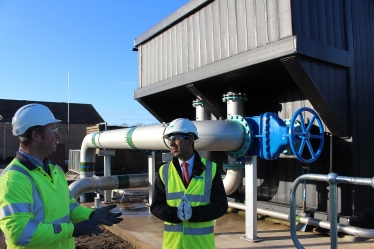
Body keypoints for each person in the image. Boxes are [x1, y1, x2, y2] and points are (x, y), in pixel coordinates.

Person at [0, 103, 123, 249]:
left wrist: (91, 215)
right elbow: (20, 233)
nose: (58, 135)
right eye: (53, 130)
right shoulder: (14, 178)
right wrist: (73, 230)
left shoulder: (55, 170)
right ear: (36, 135)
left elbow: (70, 208)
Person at [151, 118, 228, 249]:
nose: (171, 143)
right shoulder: (164, 171)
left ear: (190, 140)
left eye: (175, 138)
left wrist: (194, 213)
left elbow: (220, 206)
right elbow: (156, 206)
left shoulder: (211, 169)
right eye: (169, 139)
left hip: (201, 245)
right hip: (173, 245)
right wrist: (174, 214)